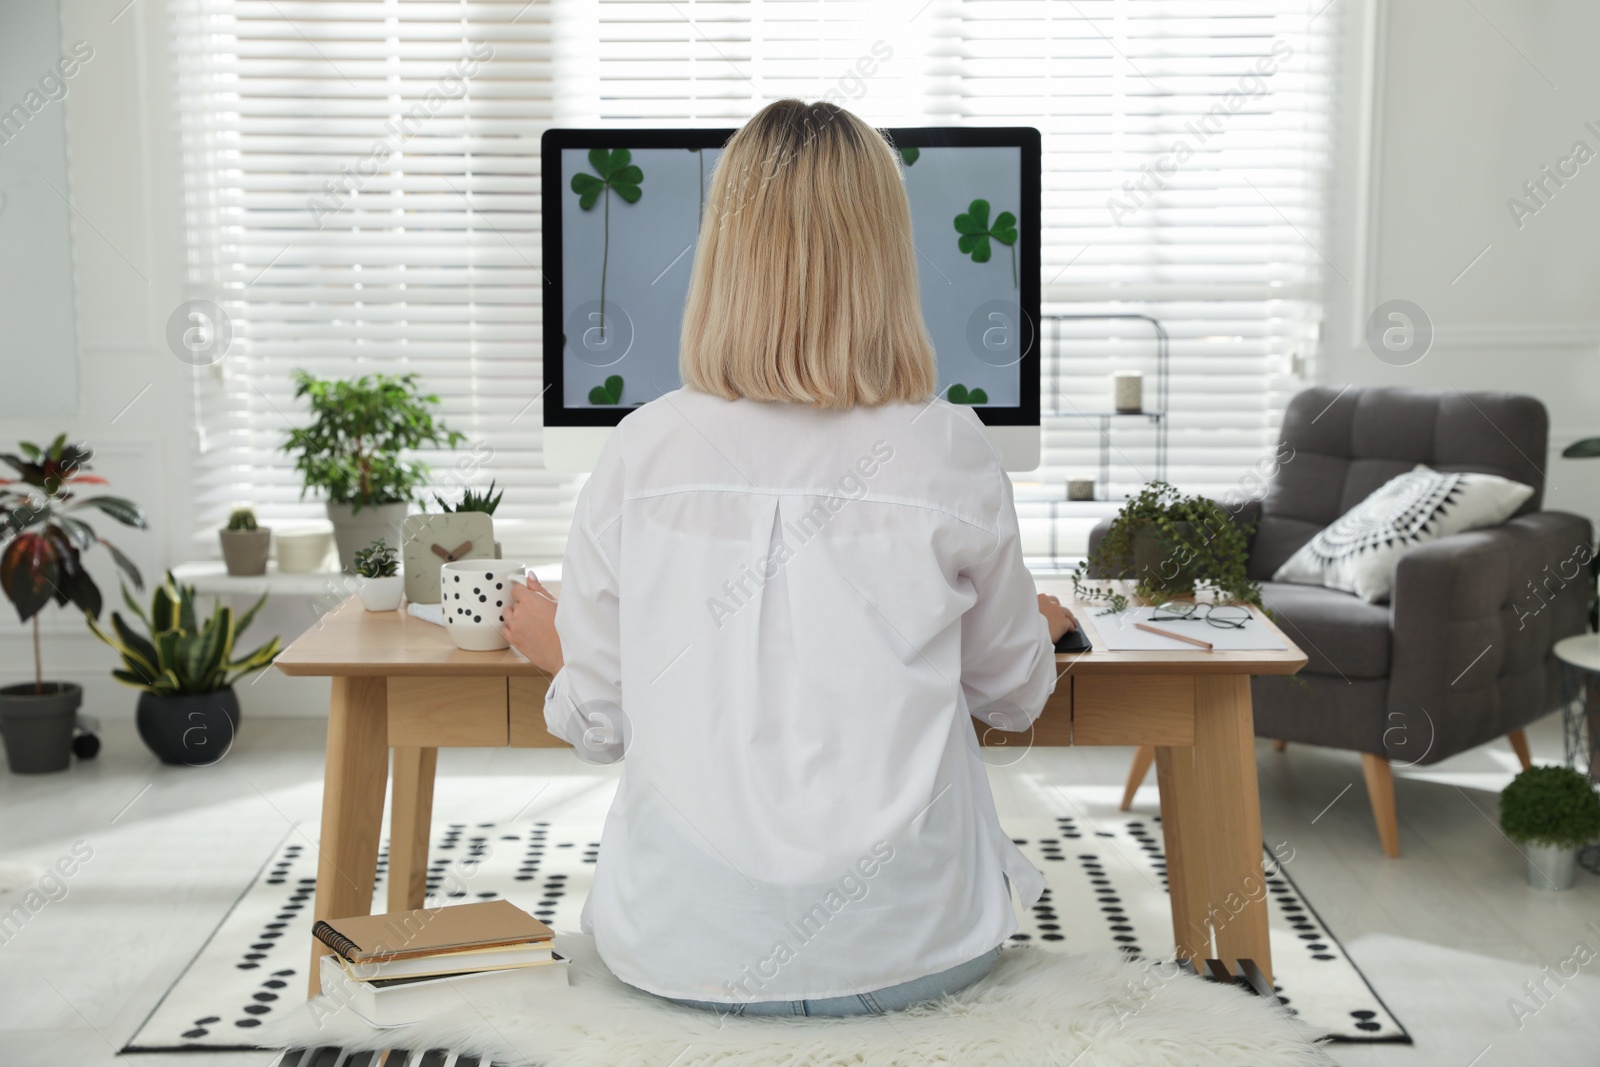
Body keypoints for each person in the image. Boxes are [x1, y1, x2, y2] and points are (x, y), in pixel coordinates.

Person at [501, 98, 1075, 1018]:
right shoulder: (950, 446)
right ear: (887, 260)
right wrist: (1034, 628)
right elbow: (1015, 697)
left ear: (724, 260)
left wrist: (561, 658)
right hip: (917, 948)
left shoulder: (640, 451)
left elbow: (601, 724)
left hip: (679, 953)